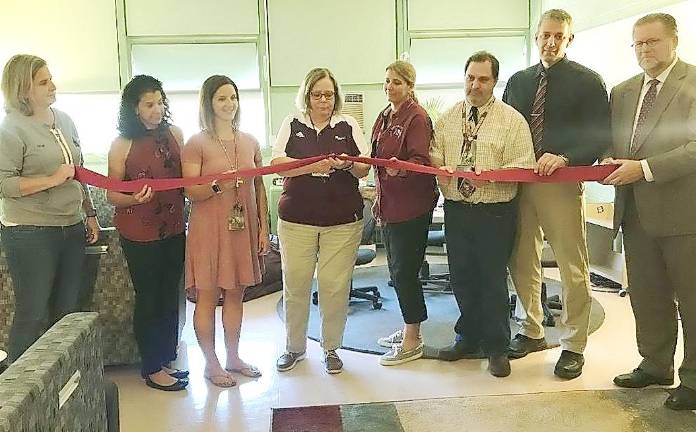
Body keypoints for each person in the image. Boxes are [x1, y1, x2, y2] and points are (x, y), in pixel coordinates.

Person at [503, 9, 610, 379]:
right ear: (536, 37)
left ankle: (573, 343)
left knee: (571, 265)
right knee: (521, 259)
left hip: (561, 185)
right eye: (545, 35)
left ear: (569, 39)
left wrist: (565, 156)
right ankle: (531, 328)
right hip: (520, 183)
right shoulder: (517, 81)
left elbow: (599, 136)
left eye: (558, 36)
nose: (550, 42)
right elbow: (505, 127)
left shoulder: (588, 81)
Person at [602, 13, 696, 410]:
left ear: (674, 40)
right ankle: (656, 364)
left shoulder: (693, 83)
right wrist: (608, 159)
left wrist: (644, 168)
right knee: (647, 295)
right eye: (638, 43)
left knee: (691, 300)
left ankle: (693, 379)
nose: (645, 50)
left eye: (652, 42)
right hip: (634, 212)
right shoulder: (622, 91)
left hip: (683, 213)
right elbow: (617, 144)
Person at [431, 51, 536, 377]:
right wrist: (440, 166)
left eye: (483, 79)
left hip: (495, 211)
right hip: (457, 209)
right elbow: (434, 155)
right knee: (461, 277)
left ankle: (496, 348)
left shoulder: (512, 120)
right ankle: (467, 337)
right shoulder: (448, 118)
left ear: (494, 82)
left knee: (491, 280)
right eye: (470, 78)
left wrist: (493, 172)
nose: (475, 85)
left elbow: (525, 166)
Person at [0, 54, 100, 362]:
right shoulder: (10, 129)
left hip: (71, 225)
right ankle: (17, 392)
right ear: (23, 89)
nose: (52, 86)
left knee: (67, 310)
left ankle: (60, 383)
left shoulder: (65, 120)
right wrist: (51, 179)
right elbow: (5, 186)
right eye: (43, 82)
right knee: (33, 311)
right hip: (30, 232)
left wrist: (91, 213)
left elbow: (78, 170)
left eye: (50, 78)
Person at [271, 67, 371, 374]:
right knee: (297, 283)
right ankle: (294, 348)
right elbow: (278, 165)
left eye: (329, 95)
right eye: (318, 95)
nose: (324, 101)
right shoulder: (292, 123)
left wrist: (347, 164)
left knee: (333, 285)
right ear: (307, 96)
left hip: (341, 221)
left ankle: (331, 348)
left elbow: (364, 168)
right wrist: (312, 164)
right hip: (296, 219)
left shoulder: (348, 124)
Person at [182, 75, 269, 388]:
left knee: (236, 294)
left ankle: (233, 357)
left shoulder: (250, 141)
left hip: (241, 230)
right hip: (208, 231)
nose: (229, 103)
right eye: (221, 98)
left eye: (233, 97)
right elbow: (191, 190)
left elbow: (259, 188)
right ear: (209, 103)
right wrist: (220, 184)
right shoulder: (196, 143)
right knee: (208, 297)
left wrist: (263, 229)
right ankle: (211, 363)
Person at [106, 75, 188, 391]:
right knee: (149, 297)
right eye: (149, 104)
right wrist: (133, 198)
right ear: (134, 108)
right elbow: (113, 194)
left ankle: (166, 357)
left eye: (160, 102)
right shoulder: (121, 144)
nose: (157, 109)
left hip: (173, 227)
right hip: (139, 233)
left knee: (170, 293)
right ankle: (151, 367)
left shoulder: (176, 135)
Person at [371, 61, 438, 366]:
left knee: (404, 273)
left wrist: (400, 171)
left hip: (412, 207)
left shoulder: (417, 118)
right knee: (396, 272)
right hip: (389, 205)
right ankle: (408, 328)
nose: (390, 87)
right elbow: (375, 160)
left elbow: (421, 160)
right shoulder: (385, 117)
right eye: (387, 81)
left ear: (410, 85)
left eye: (397, 82)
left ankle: (413, 339)